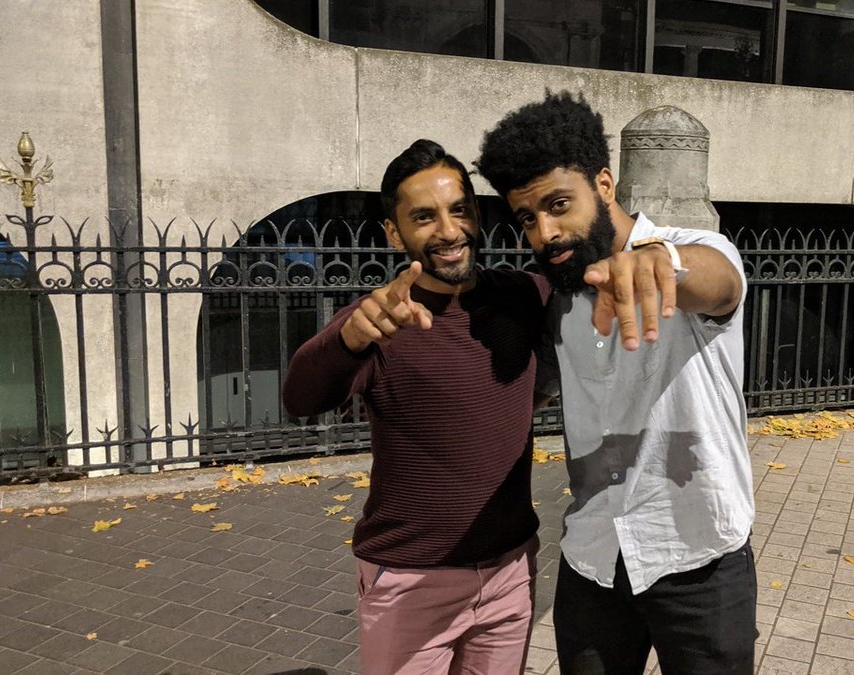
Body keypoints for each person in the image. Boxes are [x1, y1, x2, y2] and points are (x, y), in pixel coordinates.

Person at [476, 92, 757, 674]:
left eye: (559, 205)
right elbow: (530, 391)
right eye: (528, 218)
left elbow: (721, 284)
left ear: (604, 184)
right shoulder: (556, 298)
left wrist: (660, 262)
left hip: (698, 554)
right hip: (594, 558)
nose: (545, 232)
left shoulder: (697, 251)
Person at [282, 139, 551, 675]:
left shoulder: (527, 295)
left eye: (459, 210)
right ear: (393, 232)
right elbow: (300, 399)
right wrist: (348, 341)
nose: (449, 232)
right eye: (424, 217)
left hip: (509, 573)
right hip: (409, 580)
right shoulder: (380, 317)